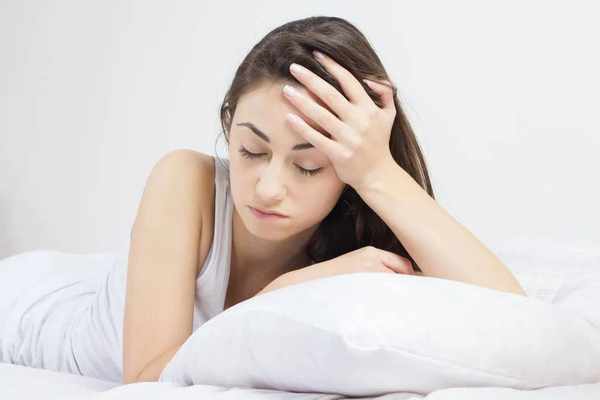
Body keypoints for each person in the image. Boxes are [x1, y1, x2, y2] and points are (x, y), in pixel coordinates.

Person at [0, 15, 525, 385]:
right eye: (251, 150)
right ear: (228, 125)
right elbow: (147, 378)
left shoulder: (358, 227)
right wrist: (286, 290)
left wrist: (378, 171)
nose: (268, 187)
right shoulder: (185, 180)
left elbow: (515, 320)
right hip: (26, 303)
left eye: (308, 165)